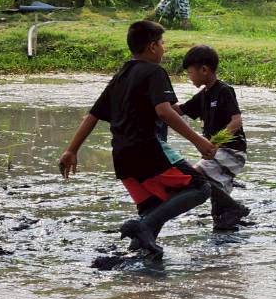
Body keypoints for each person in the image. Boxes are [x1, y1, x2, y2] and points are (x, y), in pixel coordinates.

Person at [59, 20, 215, 259]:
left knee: (153, 207)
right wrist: (198, 141)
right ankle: (142, 229)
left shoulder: (121, 75)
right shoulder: (154, 72)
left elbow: (93, 115)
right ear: (152, 47)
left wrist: (71, 150)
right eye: (162, 44)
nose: (164, 49)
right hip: (148, 150)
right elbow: (165, 111)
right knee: (200, 187)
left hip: (121, 156)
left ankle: (136, 252)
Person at [179, 44, 252, 232]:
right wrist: (156, 104)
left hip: (231, 150)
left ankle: (235, 208)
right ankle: (227, 224)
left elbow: (236, 122)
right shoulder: (203, 95)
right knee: (219, 210)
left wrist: (213, 144)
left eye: (190, 73)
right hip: (218, 152)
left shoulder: (223, 90)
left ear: (204, 70)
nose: (190, 77)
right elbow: (178, 110)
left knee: (196, 174)